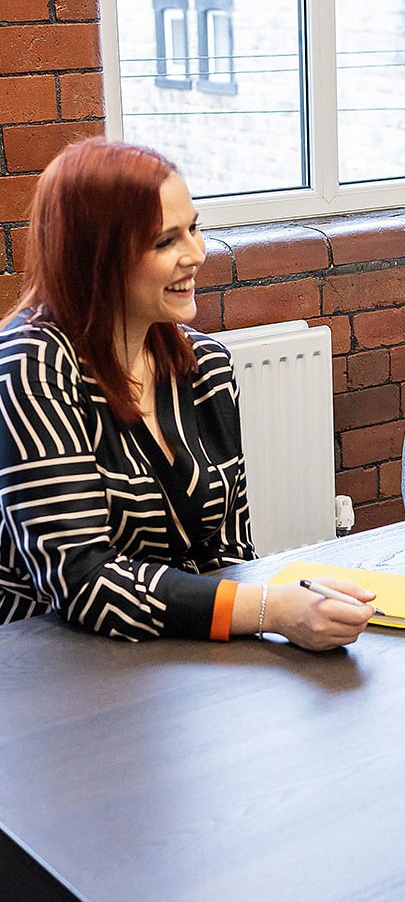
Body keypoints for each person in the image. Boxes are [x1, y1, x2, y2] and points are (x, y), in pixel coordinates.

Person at [0, 138, 374, 648]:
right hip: (60, 665)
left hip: (183, 646)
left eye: (194, 228)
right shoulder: (31, 364)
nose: (197, 254)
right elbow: (82, 580)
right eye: (165, 241)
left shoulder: (206, 367)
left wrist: (297, 607)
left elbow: (231, 551)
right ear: (96, 257)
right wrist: (271, 609)